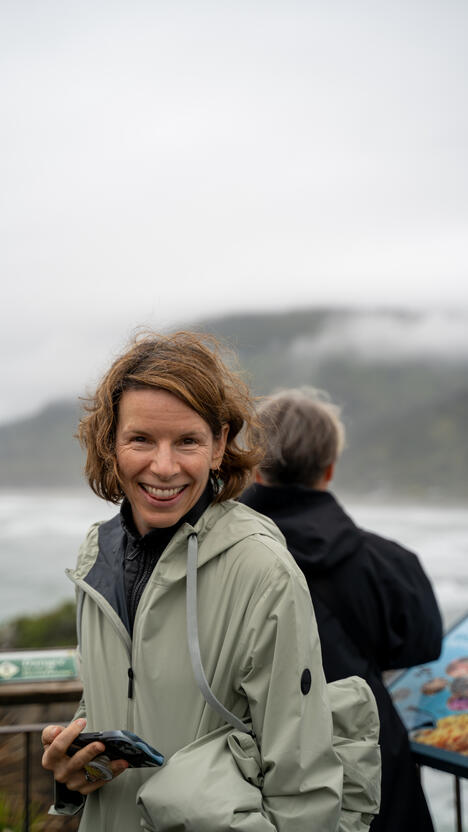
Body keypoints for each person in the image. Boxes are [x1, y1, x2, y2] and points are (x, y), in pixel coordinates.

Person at [41, 333, 344, 831]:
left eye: (187, 441)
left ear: (220, 444)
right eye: (141, 439)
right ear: (110, 442)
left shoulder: (261, 569)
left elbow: (302, 778)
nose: (164, 466)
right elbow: (124, 704)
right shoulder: (97, 553)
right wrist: (77, 769)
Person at [239, 387, 443, 832]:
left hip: (245, 765)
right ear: (329, 469)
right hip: (370, 762)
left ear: (254, 465)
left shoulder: (215, 557)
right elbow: (423, 646)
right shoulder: (390, 564)